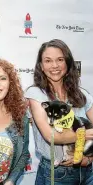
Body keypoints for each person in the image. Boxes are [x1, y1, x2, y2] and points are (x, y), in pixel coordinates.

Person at [25, 39, 93, 185]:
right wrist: (84, 134)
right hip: (56, 174)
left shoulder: (82, 94)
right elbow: (51, 136)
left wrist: (89, 159)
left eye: (60, 60)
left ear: (67, 63)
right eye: (48, 61)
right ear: (41, 66)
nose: (54, 65)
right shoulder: (35, 94)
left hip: (88, 173)